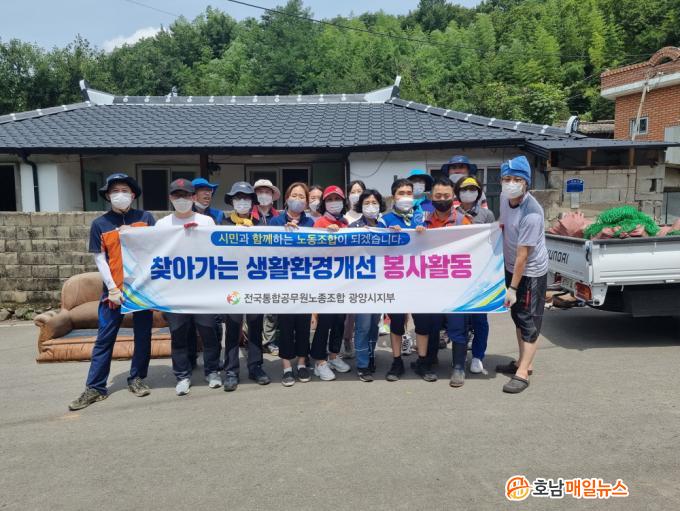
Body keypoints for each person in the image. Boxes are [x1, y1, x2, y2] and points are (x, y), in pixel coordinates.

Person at [68, 174, 156, 410]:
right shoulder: (100, 224)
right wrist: (112, 288)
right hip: (113, 291)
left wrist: (133, 233)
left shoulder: (146, 218)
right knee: (105, 338)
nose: (120, 194)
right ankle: (95, 387)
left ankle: (137, 378)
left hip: (141, 289)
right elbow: (100, 258)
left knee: (143, 336)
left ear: (133, 194)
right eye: (115, 191)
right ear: (107, 196)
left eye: (124, 190)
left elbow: (156, 248)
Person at [155, 179, 221, 396]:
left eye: (186, 195)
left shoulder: (206, 221)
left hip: (203, 291)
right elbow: (154, 254)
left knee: (209, 333)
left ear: (193, 197)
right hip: (175, 292)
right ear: (170, 198)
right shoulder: (162, 225)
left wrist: (198, 236)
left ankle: (212, 371)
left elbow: (216, 251)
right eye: (177, 195)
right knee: (178, 335)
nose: (181, 199)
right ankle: (182, 376)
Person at [495, 156, 548, 394]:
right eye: (507, 179)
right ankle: (522, 361)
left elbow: (523, 256)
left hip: (530, 273)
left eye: (517, 179)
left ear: (526, 182)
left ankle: (523, 372)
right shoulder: (505, 199)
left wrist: (513, 288)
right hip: (511, 267)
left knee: (529, 321)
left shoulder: (532, 213)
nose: (511, 183)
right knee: (517, 316)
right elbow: (503, 224)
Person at [222, 181, 271, 390]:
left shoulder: (261, 225)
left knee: (255, 325)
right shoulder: (223, 224)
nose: (242, 201)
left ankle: (255, 366)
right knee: (233, 327)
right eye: (238, 198)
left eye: (246, 198)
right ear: (232, 201)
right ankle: (231, 370)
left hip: (254, 283)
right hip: (232, 284)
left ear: (252, 202)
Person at [445, 176, 492, 387]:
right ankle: (458, 361)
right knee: (458, 319)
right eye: (464, 189)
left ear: (478, 192)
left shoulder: (486, 214)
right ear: (457, 192)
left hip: (479, 274)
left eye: (473, 189)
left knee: (480, 318)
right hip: (456, 274)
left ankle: (478, 356)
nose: (468, 192)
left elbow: (492, 242)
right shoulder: (452, 214)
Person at [378, 179, 427, 381]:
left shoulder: (420, 217)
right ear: (393, 196)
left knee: (422, 322)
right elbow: (376, 248)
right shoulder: (385, 220)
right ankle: (397, 362)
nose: (406, 197)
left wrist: (424, 233)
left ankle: (423, 361)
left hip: (418, 277)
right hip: (395, 278)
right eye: (401, 193)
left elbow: (432, 245)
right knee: (397, 322)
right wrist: (388, 236)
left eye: (409, 193)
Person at [269, 182, 315, 386]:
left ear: (307, 202)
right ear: (286, 198)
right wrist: (283, 233)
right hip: (282, 281)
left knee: (304, 325)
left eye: (302, 196)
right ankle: (287, 367)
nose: (298, 199)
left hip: (304, 280)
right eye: (294, 195)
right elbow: (267, 247)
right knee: (286, 325)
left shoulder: (310, 223)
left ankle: (302, 363)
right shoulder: (276, 221)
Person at [311, 185, 351, 380]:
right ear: (324, 203)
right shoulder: (320, 223)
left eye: (337, 199)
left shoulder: (345, 223)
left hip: (343, 281)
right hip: (325, 281)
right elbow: (313, 250)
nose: (334, 202)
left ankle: (334, 355)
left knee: (339, 321)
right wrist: (326, 235)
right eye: (330, 199)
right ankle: (319, 361)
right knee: (325, 321)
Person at [349, 189, 386, 381]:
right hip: (361, 286)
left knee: (374, 325)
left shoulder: (384, 226)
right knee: (362, 326)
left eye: (374, 202)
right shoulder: (353, 227)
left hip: (379, 284)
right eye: (367, 203)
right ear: (360, 206)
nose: (371, 206)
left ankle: (370, 355)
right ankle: (362, 364)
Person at [252, 179, 282, 356]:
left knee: (272, 307)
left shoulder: (279, 217)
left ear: (273, 196)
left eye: (267, 192)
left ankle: (269, 340)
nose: (263, 195)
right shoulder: (247, 215)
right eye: (260, 191)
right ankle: (252, 340)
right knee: (253, 306)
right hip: (253, 267)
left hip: (273, 266)